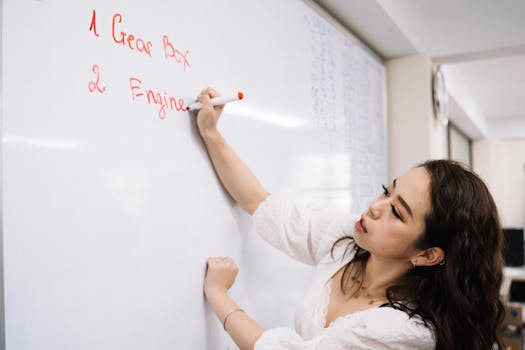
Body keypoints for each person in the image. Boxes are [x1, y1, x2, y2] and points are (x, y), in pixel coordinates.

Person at [196, 87, 505, 350]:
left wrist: (218, 294)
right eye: (387, 191)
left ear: (427, 254)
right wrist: (211, 134)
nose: (375, 207)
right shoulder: (347, 240)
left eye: (397, 212)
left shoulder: (407, 331)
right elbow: (261, 203)